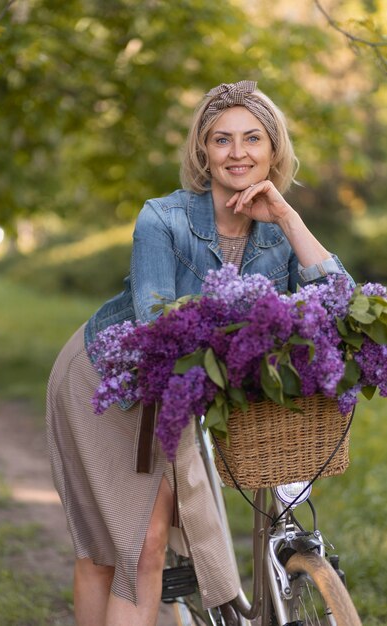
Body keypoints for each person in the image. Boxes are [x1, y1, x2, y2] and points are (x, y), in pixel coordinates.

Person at [46, 80, 352, 626]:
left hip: (191, 384)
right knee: (131, 543)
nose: (238, 153)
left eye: (253, 139)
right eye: (221, 140)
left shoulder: (278, 233)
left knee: (149, 538)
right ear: (202, 152)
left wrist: (287, 217)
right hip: (113, 376)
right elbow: (159, 321)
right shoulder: (162, 219)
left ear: (274, 150)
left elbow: (342, 306)